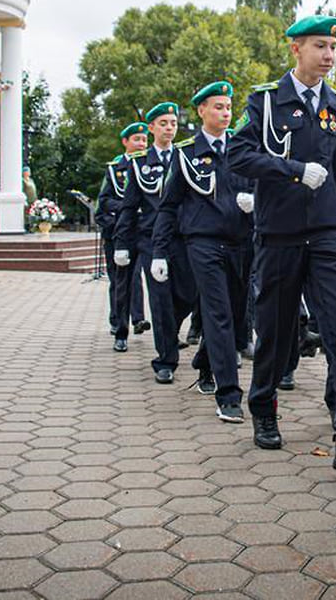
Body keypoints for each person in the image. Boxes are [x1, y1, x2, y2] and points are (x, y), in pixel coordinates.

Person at [227, 15, 336, 474]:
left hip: (328, 231)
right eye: (319, 46)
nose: (328, 56)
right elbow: (239, 155)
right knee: (275, 329)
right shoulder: (267, 102)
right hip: (280, 234)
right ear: (295, 50)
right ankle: (264, 408)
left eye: (333, 47)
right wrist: (291, 169)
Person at [151, 82, 251, 419]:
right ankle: (230, 396)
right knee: (217, 312)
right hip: (202, 243)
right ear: (201, 111)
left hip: (240, 242)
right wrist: (159, 252)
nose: (225, 113)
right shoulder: (185, 154)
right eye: (218, 107)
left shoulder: (241, 148)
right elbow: (168, 206)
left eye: (228, 107)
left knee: (236, 316)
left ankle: (205, 363)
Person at [118, 103, 195, 357]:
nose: (170, 128)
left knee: (189, 293)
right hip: (151, 239)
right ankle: (165, 359)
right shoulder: (140, 163)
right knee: (160, 298)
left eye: (173, 123)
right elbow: (129, 207)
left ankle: (170, 329)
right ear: (152, 128)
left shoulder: (186, 156)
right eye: (164, 123)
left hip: (183, 237)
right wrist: (121, 243)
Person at [95, 124, 150, 352]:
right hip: (119, 233)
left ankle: (137, 319)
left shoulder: (150, 165)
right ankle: (119, 325)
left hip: (144, 231)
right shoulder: (115, 168)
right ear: (125, 142)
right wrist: (126, 211)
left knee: (138, 277)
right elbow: (103, 203)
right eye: (137, 139)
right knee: (120, 281)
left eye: (144, 140)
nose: (141, 143)